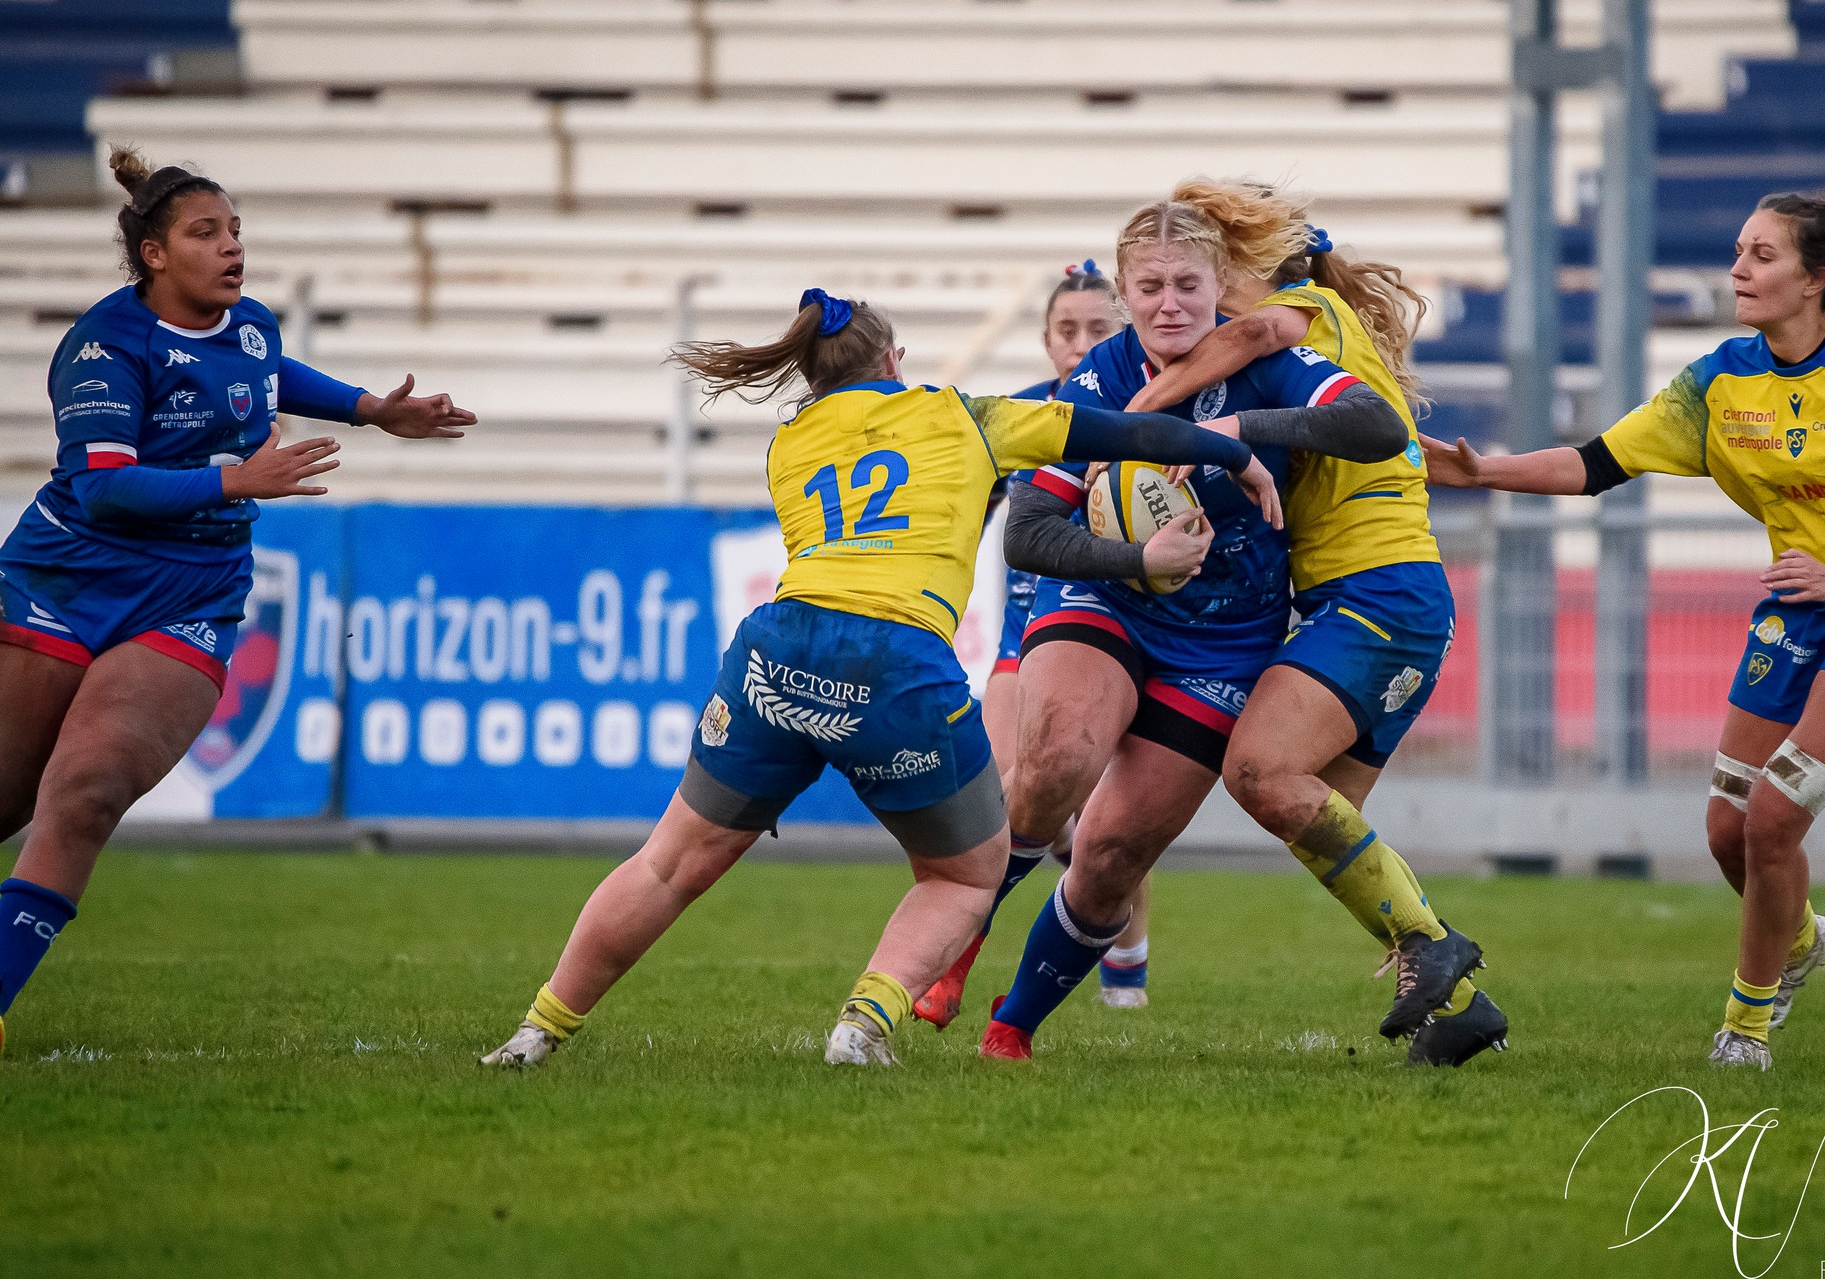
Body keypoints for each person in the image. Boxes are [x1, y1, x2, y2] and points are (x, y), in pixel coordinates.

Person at [481, 289, 1280, 1069]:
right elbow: (1116, 429)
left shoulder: (789, 441)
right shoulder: (963, 413)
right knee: (968, 871)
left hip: (778, 648)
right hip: (896, 660)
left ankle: (538, 1028)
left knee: (666, 862)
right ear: (895, 361)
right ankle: (862, 1025)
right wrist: (1232, 451)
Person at [1424, 188, 1825, 1070]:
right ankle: (1798, 940)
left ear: (1814, 279)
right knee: (1727, 828)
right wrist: (1483, 469)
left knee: (1773, 816)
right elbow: (1596, 462)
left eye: (1761, 255)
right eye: (1738, 250)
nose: (1738, 268)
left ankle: (1744, 1031)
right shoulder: (1721, 378)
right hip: (1798, 610)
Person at [0, 148, 475, 1056]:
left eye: (236, 231)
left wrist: (373, 408)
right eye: (205, 233)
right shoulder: (105, 347)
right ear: (153, 255)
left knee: (88, 791)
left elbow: (270, 371)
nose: (231, 248)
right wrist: (233, 479)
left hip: (192, 593)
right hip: (65, 582)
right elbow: (101, 490)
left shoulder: (248, 325)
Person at [976, 199, 1449, 1062]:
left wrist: (1232, 433)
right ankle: (942, 955)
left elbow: (1377, 424)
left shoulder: (1273, 338)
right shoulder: (1101, 376)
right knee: (1059, 764)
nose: (1170, 302)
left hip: (1254, 630)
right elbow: (1025, 528)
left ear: (1223, 284)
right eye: (1148, 286)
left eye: (1188, 283)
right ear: (1125, 294)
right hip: (1124, 603)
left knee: (1128, 841)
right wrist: (1136, 556)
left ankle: (1012, 1024)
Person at [1120, 178, 1505, 1066]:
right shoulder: (1341, 346)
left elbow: (1251, 334)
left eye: (1215, 277)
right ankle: (1463, 1007)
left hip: (1378, 595)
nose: (1204, 302)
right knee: (1318, 816)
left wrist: (1142, 414)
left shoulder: (1303, 311)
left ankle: (1434, 946)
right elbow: (1386, 444)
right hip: (1390, 599)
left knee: (1258, 768)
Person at [913, 259, 1159, 1028]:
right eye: (1066, 330)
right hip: (1030, 626)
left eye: (1097, 329)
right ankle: (953, 966)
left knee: (1108, 819)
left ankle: (1125, 958)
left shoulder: (1149, 407)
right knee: (1006, 796)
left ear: (1121, 335)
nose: (1080, 342)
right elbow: (962, 509)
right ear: (1046, 339)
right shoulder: (1012, 419)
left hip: (1121, 627)